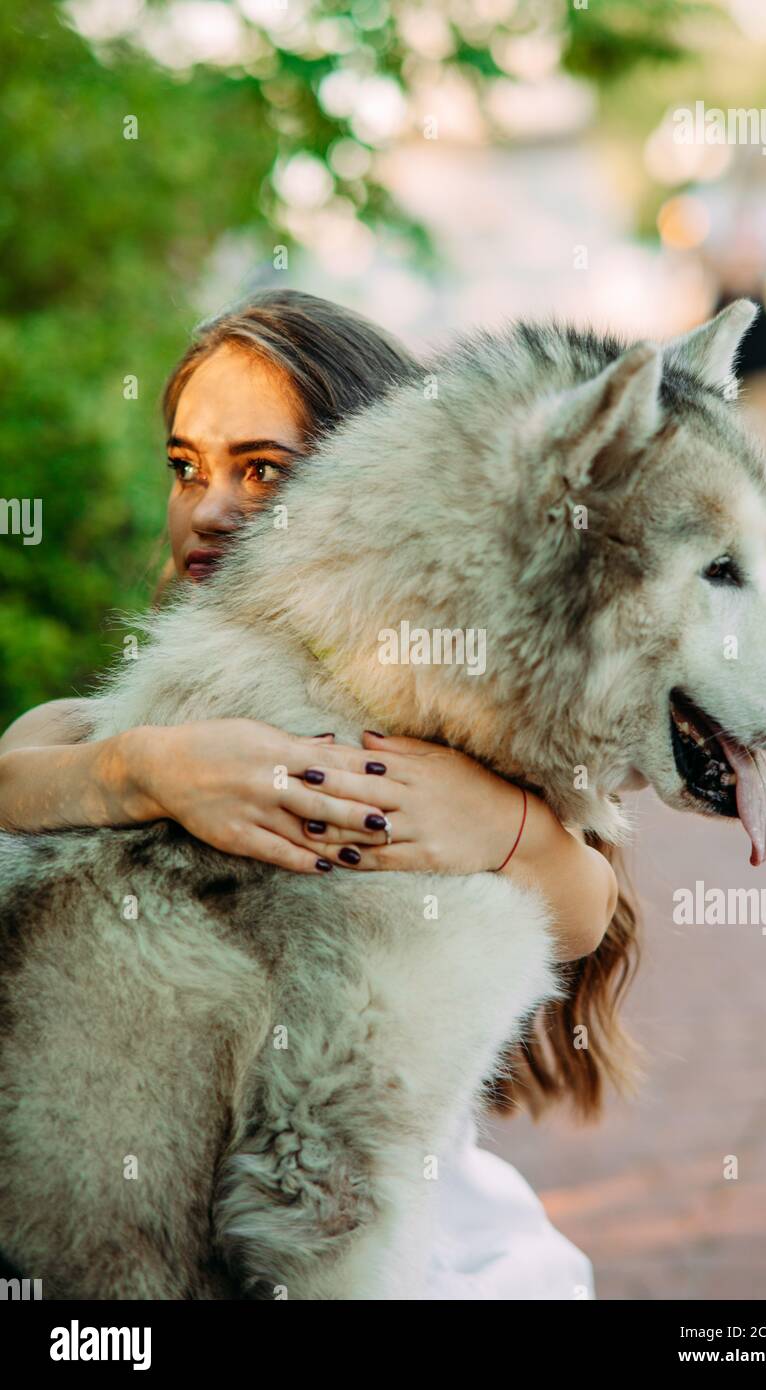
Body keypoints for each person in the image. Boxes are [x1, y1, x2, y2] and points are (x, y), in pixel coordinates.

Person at [0, 288, 639, 1299]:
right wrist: (145, 768)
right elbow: (18, 773)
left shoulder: (437, 718)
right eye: (185, 467)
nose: (207, 506)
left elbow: (587, 905)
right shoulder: (143, 711)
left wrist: (504, 824)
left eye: (260, 469)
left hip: (390, 1224)